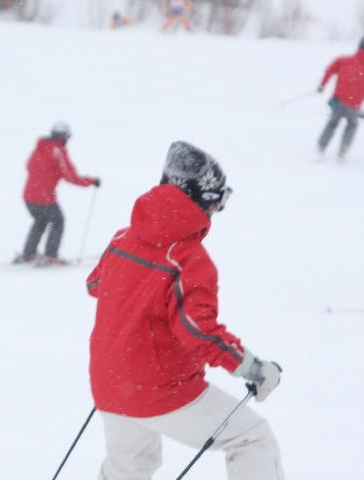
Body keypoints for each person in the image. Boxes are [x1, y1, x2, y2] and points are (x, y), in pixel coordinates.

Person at [86, 141, 284, 480]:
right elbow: (197, 330)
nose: (216, 211)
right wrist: (252, 368)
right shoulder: (189, 259)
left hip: (110, 383)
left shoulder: (123, 238)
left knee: (129, 469)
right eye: (217, 202)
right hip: (159, 389)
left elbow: (96, 284)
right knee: (252, 439)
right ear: (201, 200)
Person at [15, 121, 100, 266]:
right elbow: (70, 176)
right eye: (67, 137)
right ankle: (50, 255)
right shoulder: (58, 150)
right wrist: (91, 181)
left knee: (41, 220)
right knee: (58, 221)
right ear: (63, 136)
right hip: (44, 197)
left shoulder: (40, 147)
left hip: (29, 196)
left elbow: (29, 166)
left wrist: (50, 174)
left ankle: (28, 254)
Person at [317, 36, 364, 159]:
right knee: (352, 125)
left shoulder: (344, 61)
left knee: (332, 123)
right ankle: (343, 151)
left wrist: (322, 85)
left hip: (338, 100)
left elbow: (329, 70)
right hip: (354, 105)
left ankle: (321, 146)